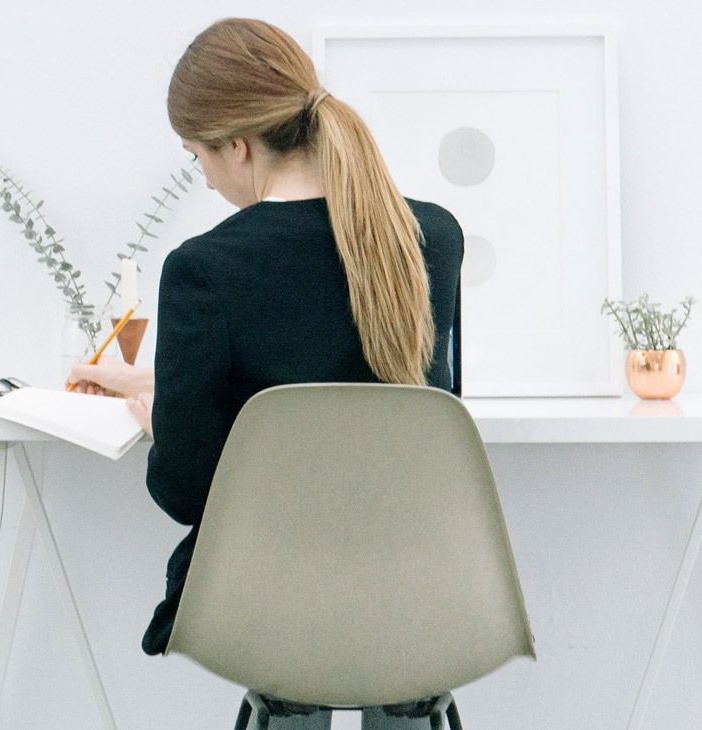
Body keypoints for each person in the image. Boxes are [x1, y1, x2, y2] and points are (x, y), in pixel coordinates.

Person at [65, 17, 464, 729]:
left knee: (288, 619)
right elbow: (420, 414)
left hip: (270, 609)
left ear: (238, 146)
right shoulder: (430, 237)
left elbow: (186, 491)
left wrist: (165, 422)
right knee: (389, 642)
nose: (205, 177)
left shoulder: (204, 270)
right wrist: (162, 386)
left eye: (197, 156)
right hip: (419, 596)